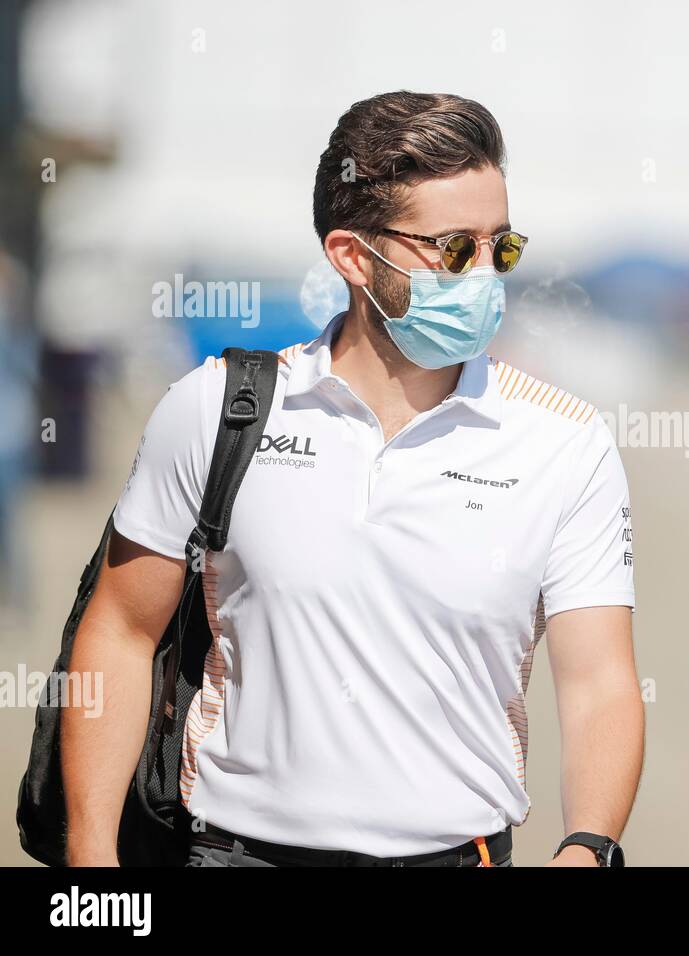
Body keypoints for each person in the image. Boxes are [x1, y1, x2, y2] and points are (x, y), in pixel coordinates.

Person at [63, 91, 642, 867]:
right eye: (454, 248)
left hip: (457, 854)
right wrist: (93, 859)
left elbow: (600, 682)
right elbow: (121, 631)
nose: (484, 275)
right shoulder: (214, 409)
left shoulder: (566, 442)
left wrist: (586, 845)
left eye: (500, 247)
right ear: (351, 255)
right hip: (236, 853)